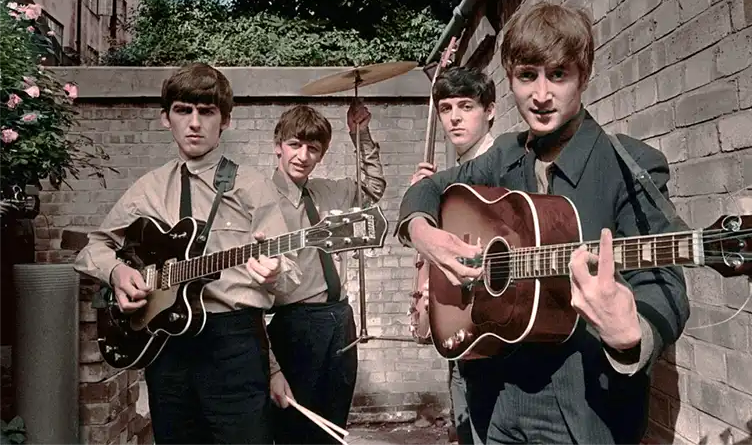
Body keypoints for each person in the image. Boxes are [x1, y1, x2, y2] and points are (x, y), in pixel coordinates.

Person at [395, 2, 690, 445]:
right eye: (527, 75)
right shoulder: (502, 159)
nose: (541, 94)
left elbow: (664, 279)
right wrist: (422, 232)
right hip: (493, 400)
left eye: (559, 74)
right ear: (511, 78)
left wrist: (633, 334)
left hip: (586, 404)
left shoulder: (630, 164)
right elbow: (430, 189)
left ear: (583, 77)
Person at [74, 63, 301, 445]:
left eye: (207, 112)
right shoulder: (148, 188)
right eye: (183, 110)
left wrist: (275, 270)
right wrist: (116, 273)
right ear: (166, 119)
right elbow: (93, 247)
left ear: (224, 120)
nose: (194, 123)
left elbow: (290, 269)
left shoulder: (252, 187)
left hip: (234, 344)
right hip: (167, 345)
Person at [266, 103, 386, 444]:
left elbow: (372, 188)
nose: (303, 156)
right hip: (295, 324)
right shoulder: (258, 199)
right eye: (295, 145)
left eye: (313, 149)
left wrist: (360, 134)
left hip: (339, 318)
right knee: (295, 428)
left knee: (333, 425)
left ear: (321, 154)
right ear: (278, 144)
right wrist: (271, 366)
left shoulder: (328, 191)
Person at [409, 65, 496, 445]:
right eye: (446, 108)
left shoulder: (502, 165)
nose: (455, 117)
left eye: (466, 105)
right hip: (462, 322)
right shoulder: (451, 175)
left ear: (489, 110)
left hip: (494, 330)